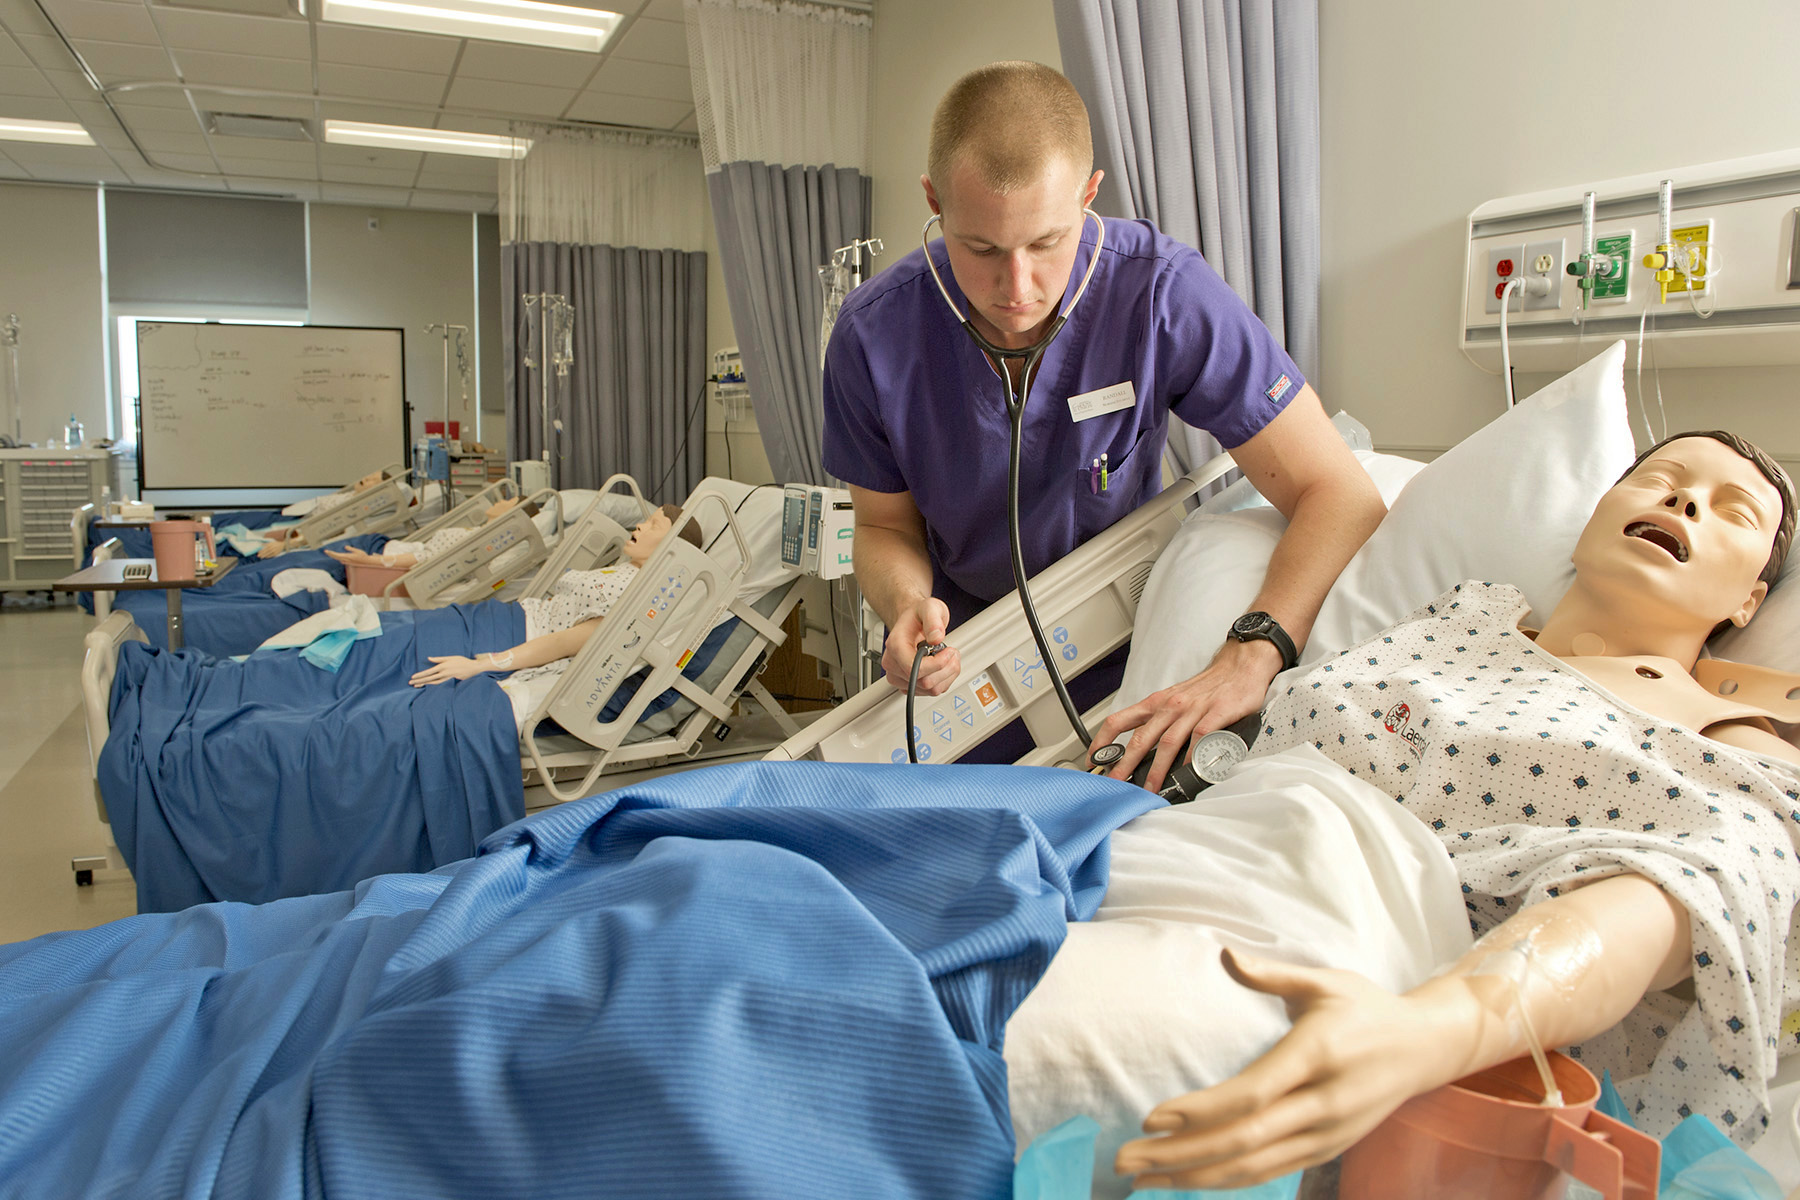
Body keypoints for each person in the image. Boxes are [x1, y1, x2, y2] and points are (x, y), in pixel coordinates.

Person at [1113, 431, 1800, 1190]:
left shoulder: (1732, 752)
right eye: (1661, 478)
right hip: (1167, 854)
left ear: (1751, 602)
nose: (1685, 500)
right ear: (1594, 515)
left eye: (1733, 511)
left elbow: (1692, 893)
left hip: (1349, 971)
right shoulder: (1463, 621)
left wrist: (1431, 1030)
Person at [821, 61, 1384, 781]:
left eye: (1047, 243)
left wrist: (1253, 650)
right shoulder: (874, 337)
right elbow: (883, 527)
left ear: (1090, 195)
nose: (1016, 289)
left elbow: (1338, 491)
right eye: (981, 249)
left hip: (1130, 638)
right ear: (933, 201)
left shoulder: (1161, 297)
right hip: (972, 660)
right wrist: (906, 605)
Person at [409, 504, 702, 687]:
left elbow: (562, 643)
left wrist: (482, 665)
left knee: (411, 648)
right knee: (413, 628)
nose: (640, 525)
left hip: (516, 635)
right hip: (507, 616)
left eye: (654, 525)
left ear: (673, 549)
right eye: (646, 520)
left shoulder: (635, 595)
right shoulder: (624, 569)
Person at [325, 496, 542, 572]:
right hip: (380, 544)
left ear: (513, 516)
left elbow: (423, 559)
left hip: (376, 551)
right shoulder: (477, 532)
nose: (500, 500)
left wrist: (371, 561)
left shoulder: (476, 542)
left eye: (508, 502)